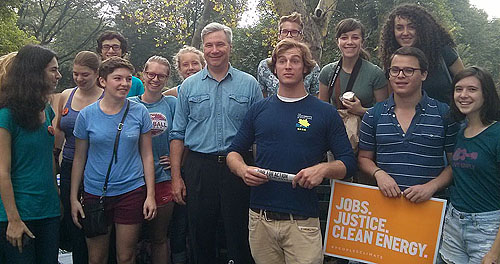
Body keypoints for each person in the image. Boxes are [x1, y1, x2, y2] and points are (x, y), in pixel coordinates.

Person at [227, 38, 356, 264]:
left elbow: (348, 162)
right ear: (274, 68)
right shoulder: (258, 109)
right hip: (260, 219)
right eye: (282, 61)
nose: (288, 66)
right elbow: (233, 153)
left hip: (303, 222)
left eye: (295, 61)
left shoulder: (325, 112)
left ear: (306, 67)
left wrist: (323, 169)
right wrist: (242, 170)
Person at [169, 22, 263, 264]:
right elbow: (177, 133)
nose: (214, 50)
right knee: (201, 232)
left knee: (240, 232)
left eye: (220, 44)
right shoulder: (189, 87)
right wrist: (177, 177)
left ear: (230, 47)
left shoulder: (249, 83)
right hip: (200, 166)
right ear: (203, 49)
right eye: (209, 45)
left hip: (238, 166)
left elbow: (259, 133)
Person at [70, 57, 156, 264]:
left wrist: (150, 194)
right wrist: (74, 197)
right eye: (117, 78)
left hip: (131, 190)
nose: (124, 84)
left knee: (126, 257)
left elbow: (147, 154)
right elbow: (79, 157)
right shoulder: (86, 115)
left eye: (128, 79)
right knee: (97, 258)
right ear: (103, 81)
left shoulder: (140, 112)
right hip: (95, 192)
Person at [358, 46, 459, 202]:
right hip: (385, 208)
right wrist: (378, 174)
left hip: (431, 208)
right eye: (395, 70)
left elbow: (456, 164)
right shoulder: (373, 115)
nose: (400, 76)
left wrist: (432, 186)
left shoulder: (444, 113)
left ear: (424, 74)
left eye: (409, 70)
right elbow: (364, 158)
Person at [0, 44, 62, 263]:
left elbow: (48, 160)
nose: (58, 75)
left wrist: (57, 199)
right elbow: (2, 172)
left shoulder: (46, 110)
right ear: (34, 72)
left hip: (49, 211)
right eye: (53, 70)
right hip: (18, 214)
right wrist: (13, 220)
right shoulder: (6, 115)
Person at [439, 67, 500, 264]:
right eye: (458, 89)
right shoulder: (461, 132)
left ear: (486, 94)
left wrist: (495, 251)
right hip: (454, 223)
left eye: (472, 89)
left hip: (488, 228)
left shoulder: (497, 134)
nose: (463, 95)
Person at [54, 51, 104, 264]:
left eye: (85, 75)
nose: (79, 79)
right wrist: (54, 160)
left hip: (96, 168)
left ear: (96, 74)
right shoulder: (67, 95)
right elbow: (58, 129)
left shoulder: (106, 96)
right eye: (75, 74)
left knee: (94, 224)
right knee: (72, 221)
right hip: (68, 164)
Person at [130, 55, 176, 264]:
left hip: (163, 178)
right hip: (132, 179)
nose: (155, 79)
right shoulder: (129, 105)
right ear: (143, 74)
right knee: (130, 241)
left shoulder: (172, 104)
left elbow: (182, 136)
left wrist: (177, 160)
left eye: (161, 76)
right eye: (151, 74)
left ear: (167, 79)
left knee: (159, 238)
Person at [166, 45, 206, 264]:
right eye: (185, 64)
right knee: (179, 221)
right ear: (179, 69)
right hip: (179, 167)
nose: (190, 68)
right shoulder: (171, 96)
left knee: (201, 220)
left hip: (199, 163)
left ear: (203, 64)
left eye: (195, 63)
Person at [379, 3, 464, 104]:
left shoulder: (441, 50)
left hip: (448, 116)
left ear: (422, 29)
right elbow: (392, 101)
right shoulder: (391, 59)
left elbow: (465, 82)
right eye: (399, 28)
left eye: (411, 27)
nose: (405, 33)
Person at [318, 18, 387, 116]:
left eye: (355, 37)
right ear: (337, 41)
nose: (349, 42)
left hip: (365, 129)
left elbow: (383, 112)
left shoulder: (375, 73)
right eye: (344, 38)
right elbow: (322, 110)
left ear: (362, 41)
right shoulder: (327, 72)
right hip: (335, 128)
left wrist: (361, 110)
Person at [257, 12, 320, 97]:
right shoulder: (264, 66)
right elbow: (262, 97)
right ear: (279, 35)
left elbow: (316, 97)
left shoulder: (312, 67)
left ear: (301, 36)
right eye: (285, 31)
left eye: (294, 32)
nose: (289, 35)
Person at [96, 30, 144, 97]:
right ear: (100, 51)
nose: (111, 51)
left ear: (123, 51)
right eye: (106, 47)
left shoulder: (135, 84)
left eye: (115, 47)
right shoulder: (92, 81)